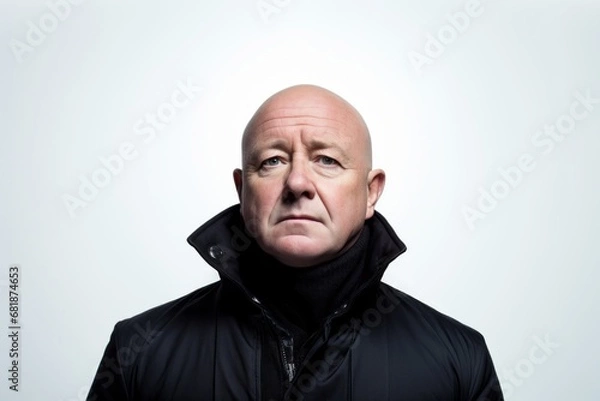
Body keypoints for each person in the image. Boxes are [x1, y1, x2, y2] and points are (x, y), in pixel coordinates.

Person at [86, 84, 504, 401]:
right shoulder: (138, 352)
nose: (298, 183)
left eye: (327, 160)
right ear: (242, 189)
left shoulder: (459, 360)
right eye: (272, 161)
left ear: (371, 192)